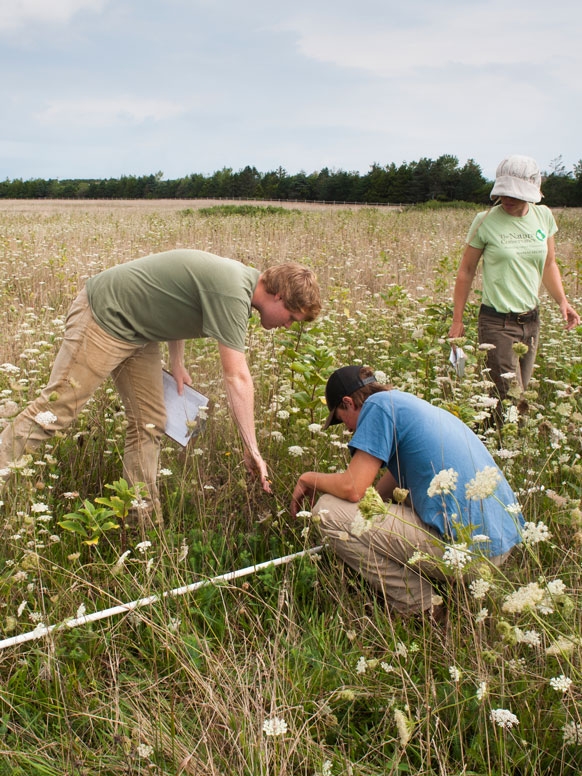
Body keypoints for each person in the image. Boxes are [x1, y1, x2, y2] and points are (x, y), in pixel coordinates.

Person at [0, 249, 321, 523]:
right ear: (278, 295)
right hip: (105, 317)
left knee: (150, 422)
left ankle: (142, 521)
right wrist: (252, 450)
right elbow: (237, 378)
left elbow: (175, 300)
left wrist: (177, 360)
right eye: (291, 317)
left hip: (138, 332)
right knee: (55, 413)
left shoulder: (239, 285)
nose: (288, 325)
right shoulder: (234, 292)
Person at [290, 366, 524, 619]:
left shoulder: (376, 408)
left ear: (348, 403)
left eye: (340, 418)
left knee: (327, 511)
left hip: (469, 554)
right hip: (499, 546)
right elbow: (377, 495)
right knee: (360, 513)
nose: (347, 430)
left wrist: (307, 479)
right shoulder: (404, 404)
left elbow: (353, 489)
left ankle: (422, 608)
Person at [448, 155, 579, 415]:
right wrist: (457, 319)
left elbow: (549, 264)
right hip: (497, 323)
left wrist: (563, 301)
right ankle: (504, 449)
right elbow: (466, 270)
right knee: (512, 400)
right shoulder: (484, 221)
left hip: (531, 322)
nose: (506, 199)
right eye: (503, 193)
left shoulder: (543, 217)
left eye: (515, 195)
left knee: (514, 395)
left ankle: (489, 440)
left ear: (532, 194)